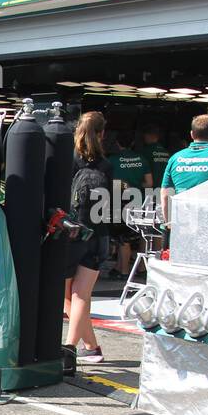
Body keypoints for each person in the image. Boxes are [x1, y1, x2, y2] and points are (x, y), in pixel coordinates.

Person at [64, 111, 113, 365]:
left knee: (67, 296)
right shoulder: (106, 165)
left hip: (72, 232)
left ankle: (80, 347)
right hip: (99, 234)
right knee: (82, 294)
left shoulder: (70, 160)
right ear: (102, 134)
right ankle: (82, 347)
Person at [161, 115, 208, 210]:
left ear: (192, 134)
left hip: (181, 219)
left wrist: (168, 223)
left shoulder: (175, 158)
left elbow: (165, 194)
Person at [108, 130, 151, 277]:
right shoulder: (142, 159)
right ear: (132, 143)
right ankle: (126, 268)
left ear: (117, 143)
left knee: (122, 238)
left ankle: (124, 271)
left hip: (118, 200)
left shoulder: (112, 160)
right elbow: (149, 183)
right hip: (137, 199)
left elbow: (109, 182)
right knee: (138, 236)